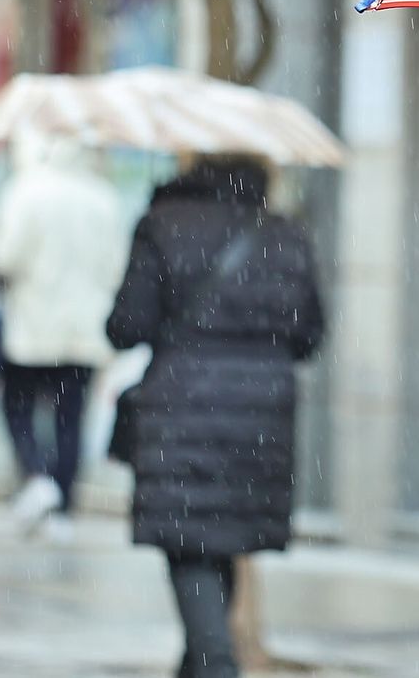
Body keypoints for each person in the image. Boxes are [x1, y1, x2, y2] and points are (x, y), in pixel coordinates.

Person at [106, 154, 325, 678]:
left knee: (190, 542)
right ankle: (205, 662)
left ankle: (216, 664)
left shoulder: (163, 226)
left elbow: (126, 326)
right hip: (264, 415)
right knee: (219, 539)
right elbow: (309, 336)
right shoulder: (285, 234)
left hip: (182, 405)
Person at [0, 130, 126, 539]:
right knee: (70, 418)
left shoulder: (26, 190)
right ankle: (62, 507)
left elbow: (5, 257)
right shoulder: (104, 198)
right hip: (85, 328)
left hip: (33, 325)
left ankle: (35, 476)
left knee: (17, 406)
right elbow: (116, 268)